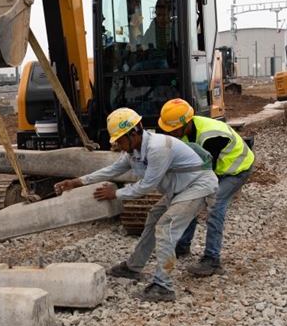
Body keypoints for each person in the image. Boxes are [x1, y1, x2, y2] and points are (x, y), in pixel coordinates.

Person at [53, 107, 218, 302]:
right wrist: (78, 181)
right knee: (154, 218)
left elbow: (147, 185)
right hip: (180, 189)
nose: (119, 145)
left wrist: (115, 194)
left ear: (133, 133)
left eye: (121, 140)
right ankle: (134, 267)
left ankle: (162, 286)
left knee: (166, 226)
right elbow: (112, 169)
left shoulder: (158, 148)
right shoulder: (135, 151)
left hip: (197, 187)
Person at [159, 98, 255, 276]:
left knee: (215, 205)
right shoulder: (184, 131)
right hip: (214, 168)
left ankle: (212, 259)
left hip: (236, 170)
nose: (171, 135)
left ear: (185, 124)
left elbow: (206, 175)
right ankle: (182, 245)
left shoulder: (211, 137)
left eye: (173, 131)